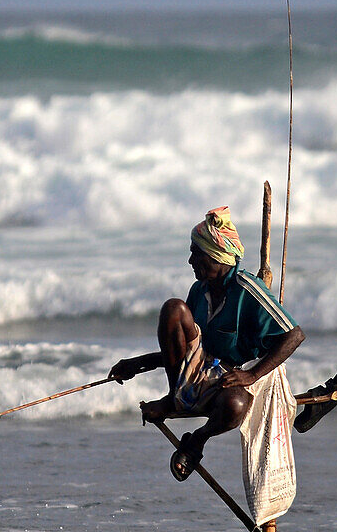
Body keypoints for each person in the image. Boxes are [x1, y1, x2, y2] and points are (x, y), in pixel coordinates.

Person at [109, 206, 305, 481]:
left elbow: (293, 335)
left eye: (196, 253)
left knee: (236, 405)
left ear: (217, 256)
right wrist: (136, 364)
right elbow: (185, 354)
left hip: (230, 378)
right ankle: (174, 396)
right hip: (196, 375)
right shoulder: (198, 291)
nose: (190, 260)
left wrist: (251, 375)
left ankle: (197, 440)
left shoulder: (247, 288)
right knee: (174, 308)